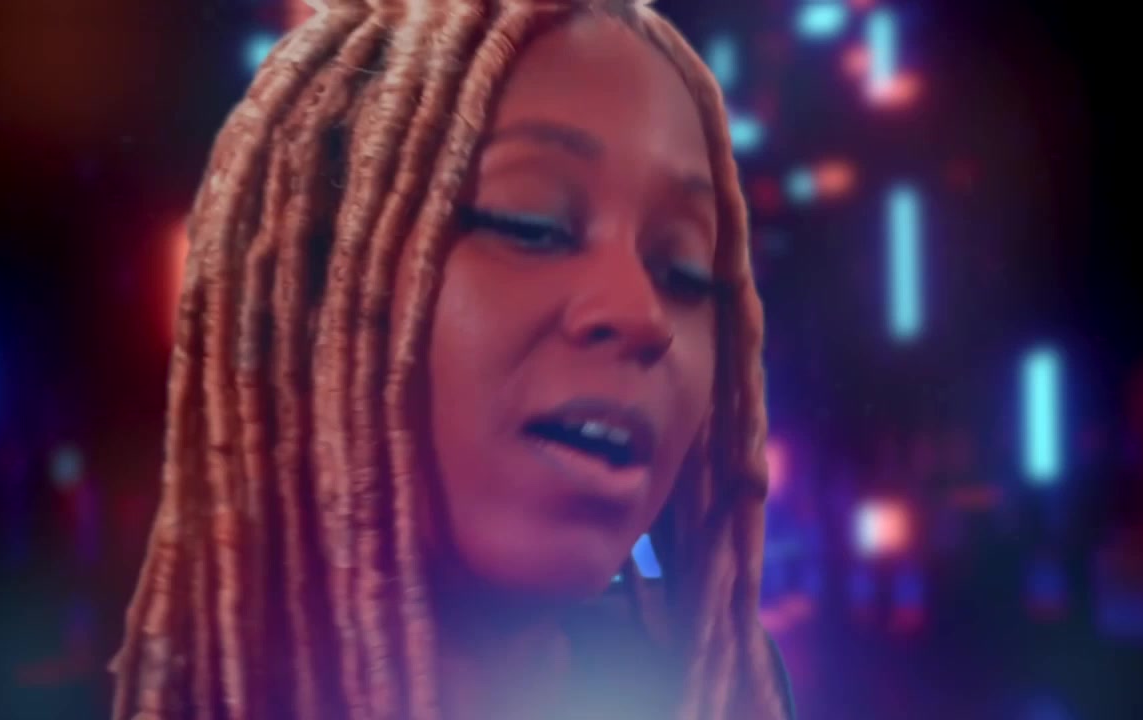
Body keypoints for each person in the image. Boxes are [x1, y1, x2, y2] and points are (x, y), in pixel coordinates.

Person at [110, 0, 794, 718]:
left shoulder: (717, 693)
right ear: (312, 297)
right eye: (530, 223)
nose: (642, 315)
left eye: (684, 271)